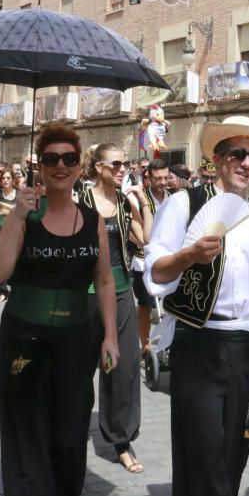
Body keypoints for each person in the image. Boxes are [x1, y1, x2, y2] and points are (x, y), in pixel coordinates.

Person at [145, 115, 249, 496]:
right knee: (202, 453)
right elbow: (154, 273)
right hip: (200, 343)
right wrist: (187, 256)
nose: (247, 163)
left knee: (233, 454)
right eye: (237, 154)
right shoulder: (184, 203)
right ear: (217, 158)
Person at [0, 124, 119, 496]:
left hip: (76, 338)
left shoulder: (93, 219)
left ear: (80, 167)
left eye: (68, 159)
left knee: (70, 422)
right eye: (51, 159)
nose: (60, 165)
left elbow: (106, 281)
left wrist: (110, 336)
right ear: (40, 166)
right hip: (24, 337)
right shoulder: (25, 213)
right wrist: (15, 217)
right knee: (26, 422)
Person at [81, 143, 151, 474]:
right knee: (77, 370)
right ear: (98, 167)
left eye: (125, 163)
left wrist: (140, 204)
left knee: (122, 370)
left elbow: (144, 237)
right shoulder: (80, 201)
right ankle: (70, 431)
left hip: (122, 292)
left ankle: (121, 441)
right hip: (83, 295)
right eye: (117, 163)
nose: (123, 169)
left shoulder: (123, 203)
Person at [131, 158, 170, 351]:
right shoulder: (139, 199)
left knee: (170, 304)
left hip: (169, 259)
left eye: (166, 178)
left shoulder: (174, 198)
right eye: (158, 179)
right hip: (143, 260)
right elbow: (132, 229)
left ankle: (168, 341)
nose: (163, 182)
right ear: (149, 178)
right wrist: (141, 239)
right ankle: (145, 345)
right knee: (146, 306)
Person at [0, 170, 17, 303]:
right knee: (1, 261)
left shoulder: (19, 194)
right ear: (0, 181)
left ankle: (15, 289)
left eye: (8, 178)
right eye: (3, 178)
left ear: (13, 179)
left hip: (15, 232)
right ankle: (2, 291)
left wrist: (5, 207)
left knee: (15, 261)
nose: (6, 180)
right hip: (0, 231)